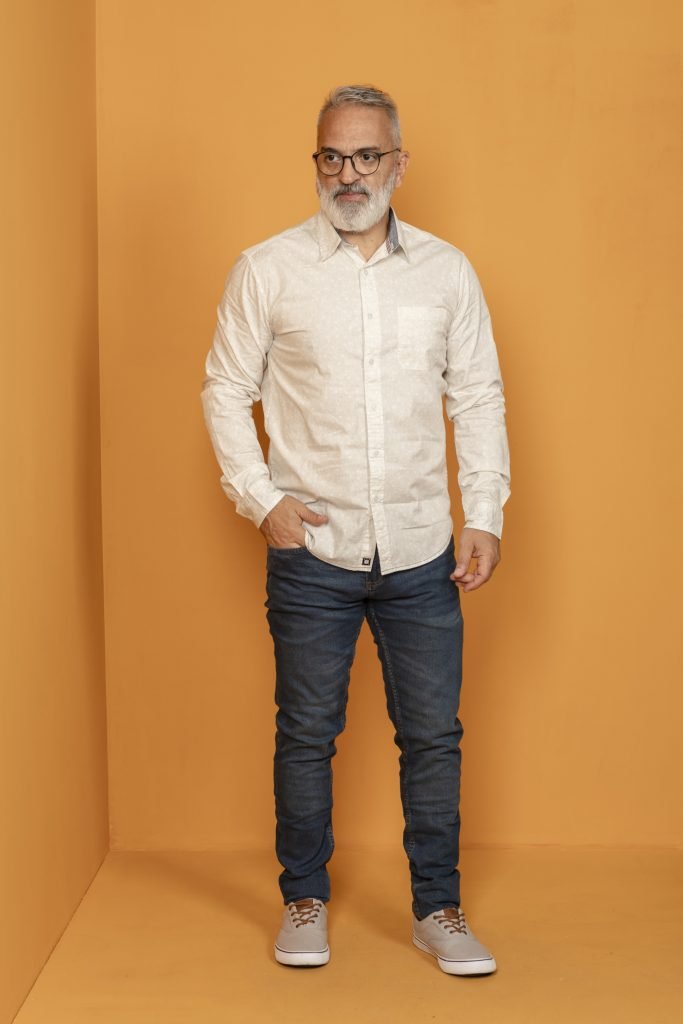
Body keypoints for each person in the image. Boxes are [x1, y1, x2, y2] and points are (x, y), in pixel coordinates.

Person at [200, 84, 511, 976]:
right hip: (314, 553)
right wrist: (260, 498)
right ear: (316, 162)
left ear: (398, 165)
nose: (349, 174)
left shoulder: (446, 272)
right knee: (306, 733)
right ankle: (303, 899)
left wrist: (483, 512)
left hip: (420, 551)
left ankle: (437, 910)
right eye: (332, 156)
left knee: (433, 737)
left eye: (367, 156)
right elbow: (225, 388)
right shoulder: (266, 269)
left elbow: (477, 396)